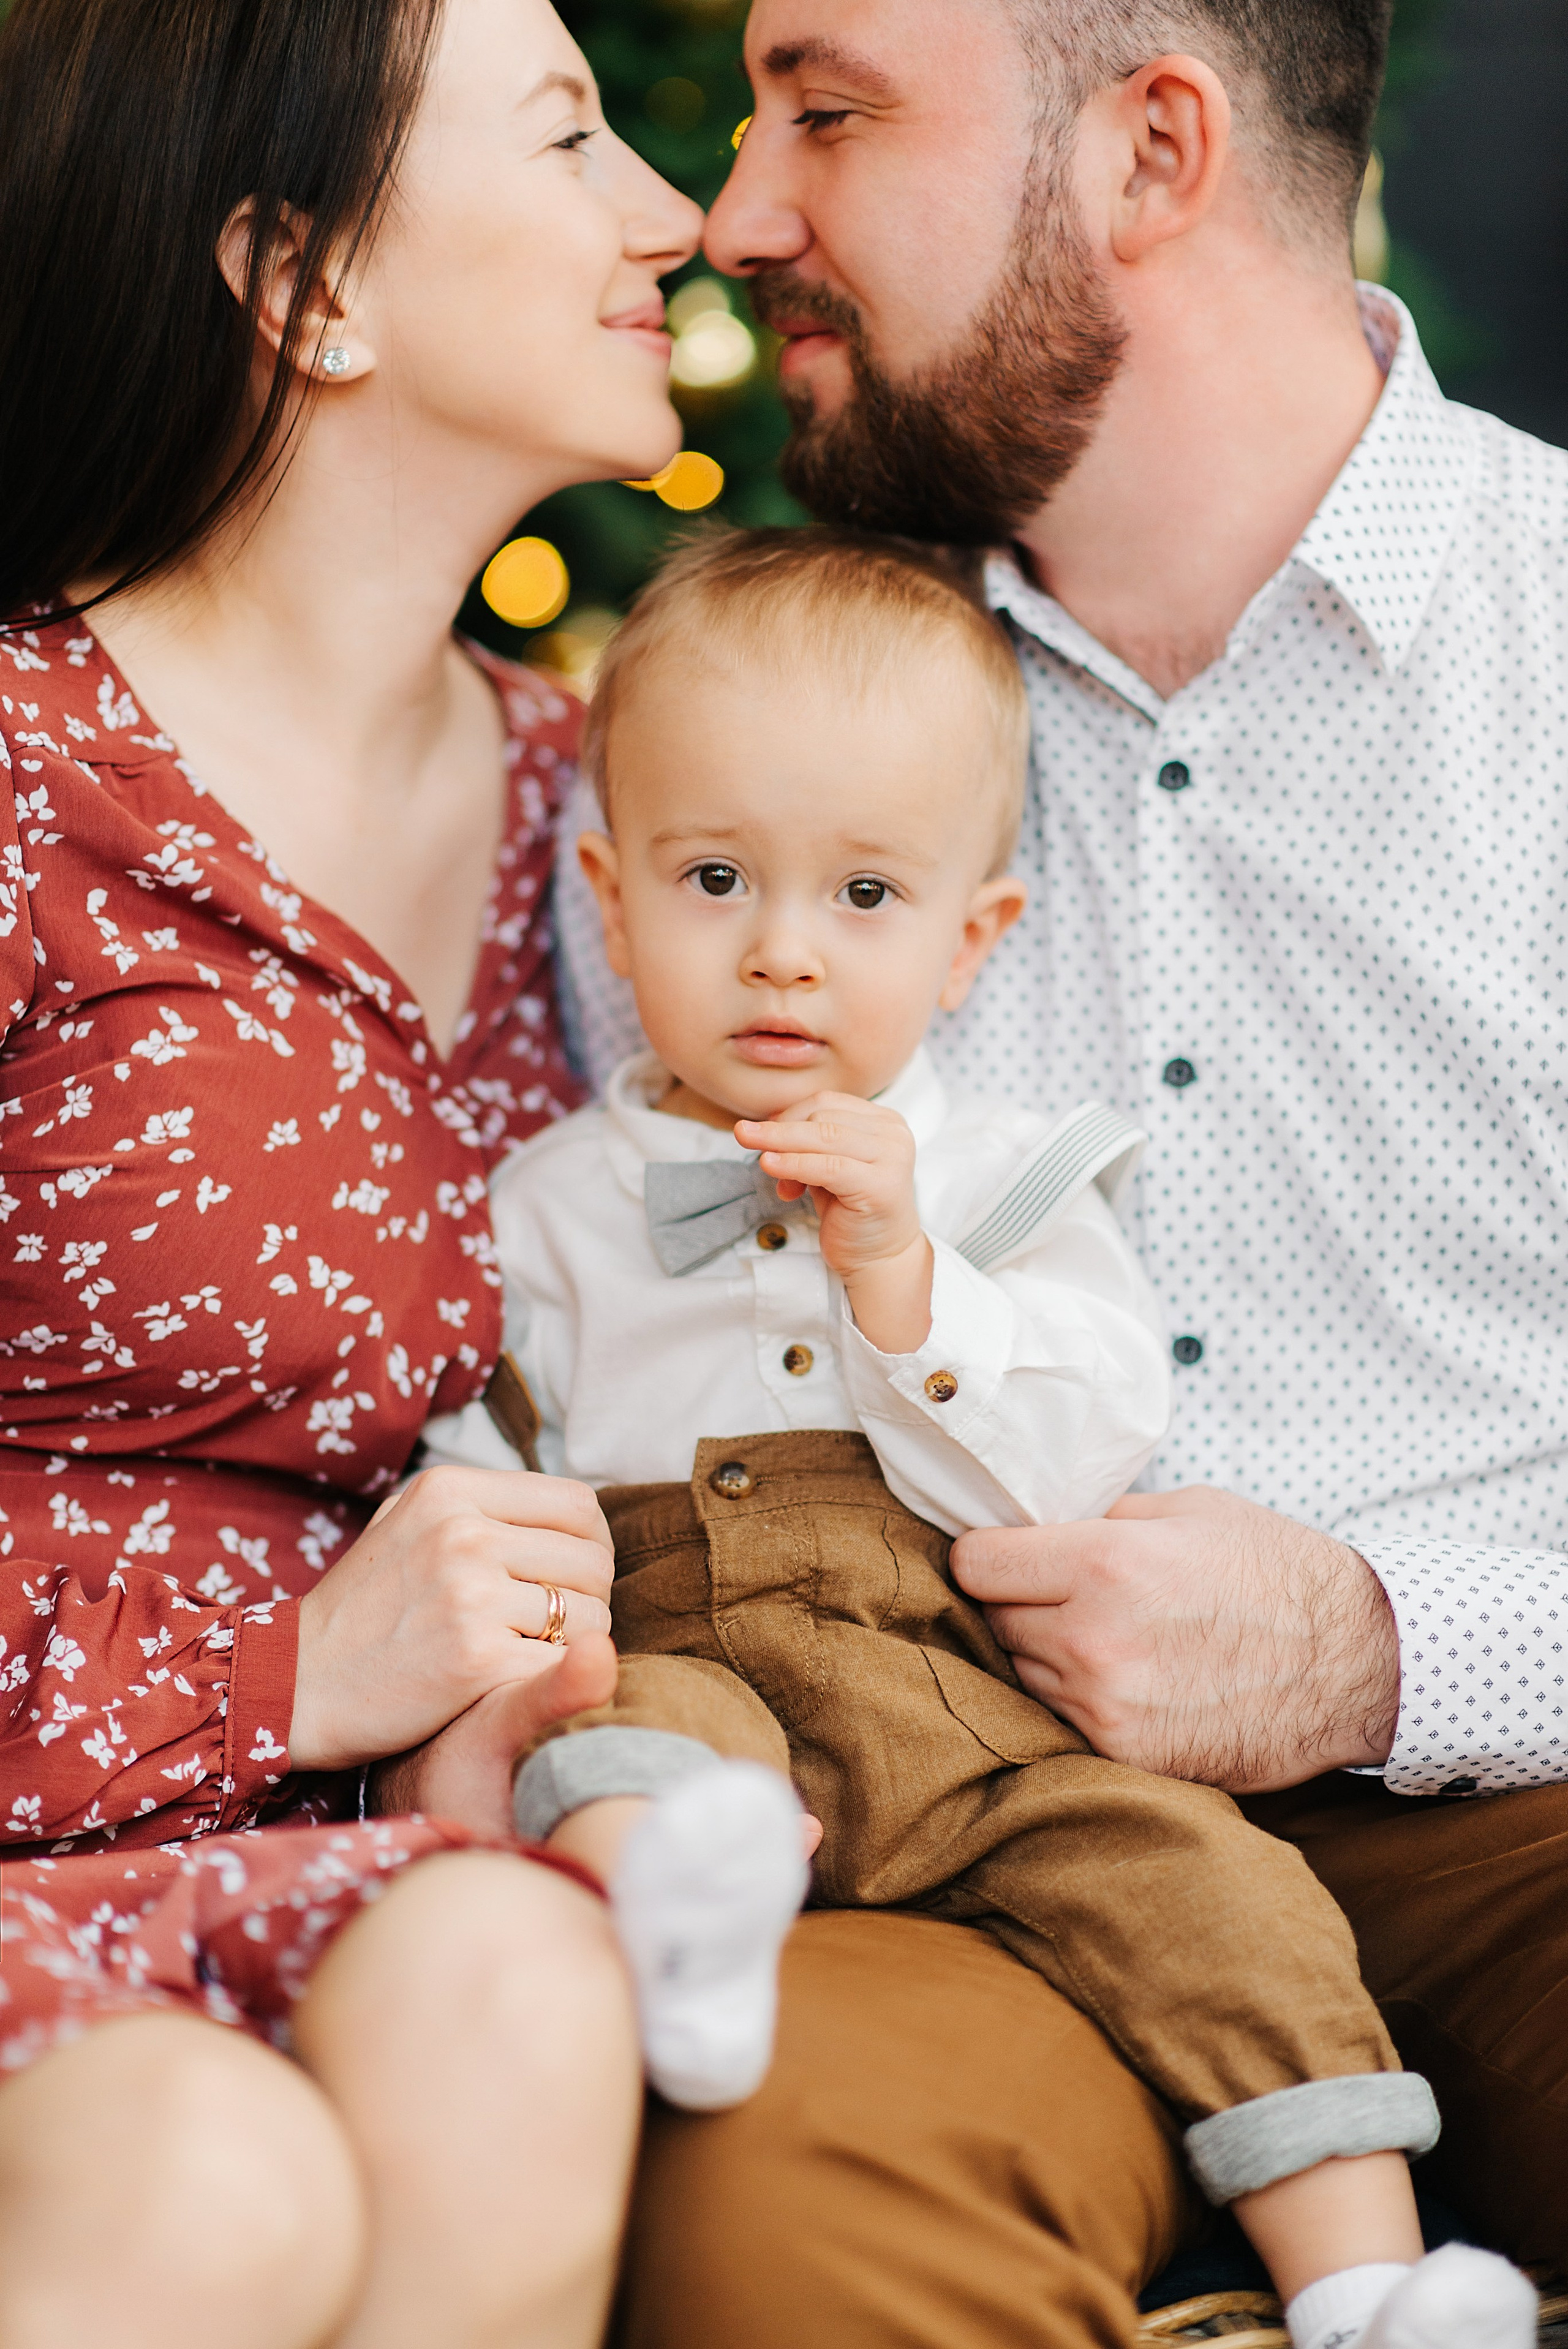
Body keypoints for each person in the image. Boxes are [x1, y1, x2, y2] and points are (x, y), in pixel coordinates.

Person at [545, 0, 1568, 2341]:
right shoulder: (733, 745)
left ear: (1152, 150)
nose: (736, 215)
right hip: (949, 1830)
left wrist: (1385, 1646)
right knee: (776, 2206)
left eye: (827, 109)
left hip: (1534, 1813)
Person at [431, 522, 1535, 2349]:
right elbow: (483, 1446)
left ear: (973, 939)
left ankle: (1368, 2280)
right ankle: (692, 1967)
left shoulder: (1005, 1178)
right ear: (613, 903)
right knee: (625, 1740)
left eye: (863, 898)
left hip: (971, 1693)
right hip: (690, 1666)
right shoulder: (545, 1202)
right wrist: (504, 1648)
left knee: (1210, 1890)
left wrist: (910, 1284)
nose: (784, 955)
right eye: (717, 879)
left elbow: (1075, 1449)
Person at [0, 0, 705, 2342]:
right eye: (578, 137)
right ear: (311, 289)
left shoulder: (601, 821)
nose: (676, 218)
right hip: (48, 1838)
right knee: (212, 2187)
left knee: (521, 1980)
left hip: (365, 1855)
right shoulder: (25, 787)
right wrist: (275, 1668)